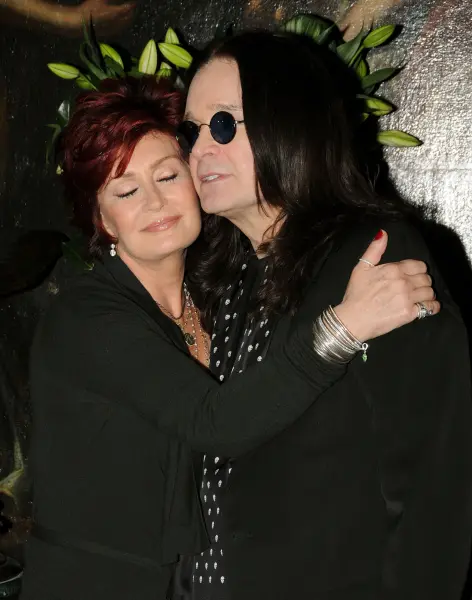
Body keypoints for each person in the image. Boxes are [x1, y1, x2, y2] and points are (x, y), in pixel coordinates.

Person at [19, 75, 438, 600]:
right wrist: (345, 327)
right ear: (102, 219)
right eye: (126, 190)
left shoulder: (217, 297)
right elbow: (214, 422)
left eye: (167, 175)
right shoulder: (87, 315)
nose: (155, 202)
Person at [180, 31, 472, 600]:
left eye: (223, 125)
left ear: (290, 125)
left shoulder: (372, 253)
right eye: (191, 131)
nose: (199, 150)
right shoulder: (228, 274)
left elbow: (438, 479)